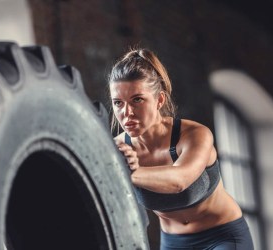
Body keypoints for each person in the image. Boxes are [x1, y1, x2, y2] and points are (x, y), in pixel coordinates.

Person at [108, 48, 254, 250]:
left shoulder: (195, 135)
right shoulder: (117, 149)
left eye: (137, 100)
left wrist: (126, 173)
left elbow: (179, 181)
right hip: (174, 243)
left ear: (159, 100)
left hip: (222, 236)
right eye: (118, 103)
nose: (126, 113)